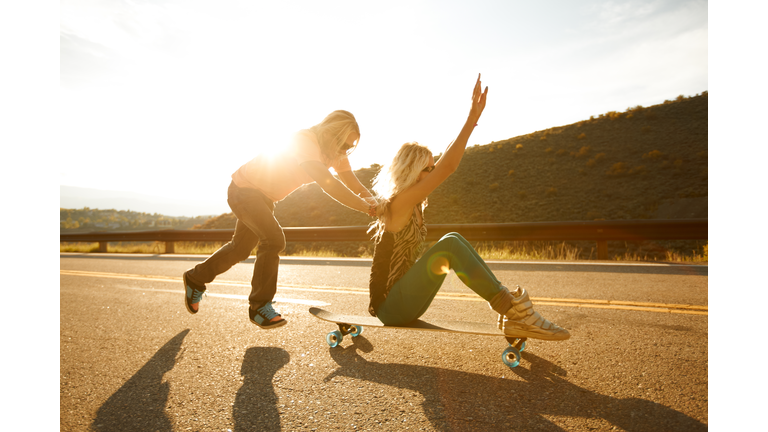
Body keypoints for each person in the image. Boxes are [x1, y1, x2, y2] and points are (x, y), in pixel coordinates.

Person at [367, 75, 570, 341]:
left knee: (452, 239)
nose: (433, 171)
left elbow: (446, 158)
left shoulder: (415, 204)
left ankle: (510, 307)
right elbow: (448, 167)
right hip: (391, 306)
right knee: (449, 246)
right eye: (428, 168)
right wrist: (471, 120)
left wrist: (471, 117)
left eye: (431, 166)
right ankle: (513, 310)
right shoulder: (402, 201)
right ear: (414, 171)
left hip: (405, 298)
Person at [183, 110, 379, 329]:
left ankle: (195, 278)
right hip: (244, 191)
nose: (346, 151)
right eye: (344, 144)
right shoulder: (305, 141)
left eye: (350, 147)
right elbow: (328, 183)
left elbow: (351, 181)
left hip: (265, 198)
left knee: (240, 249)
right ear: (331, 133)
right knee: (273, 240)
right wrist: (364, 206)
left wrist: (375, 201)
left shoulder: (336, 152)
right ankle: (259, 307)